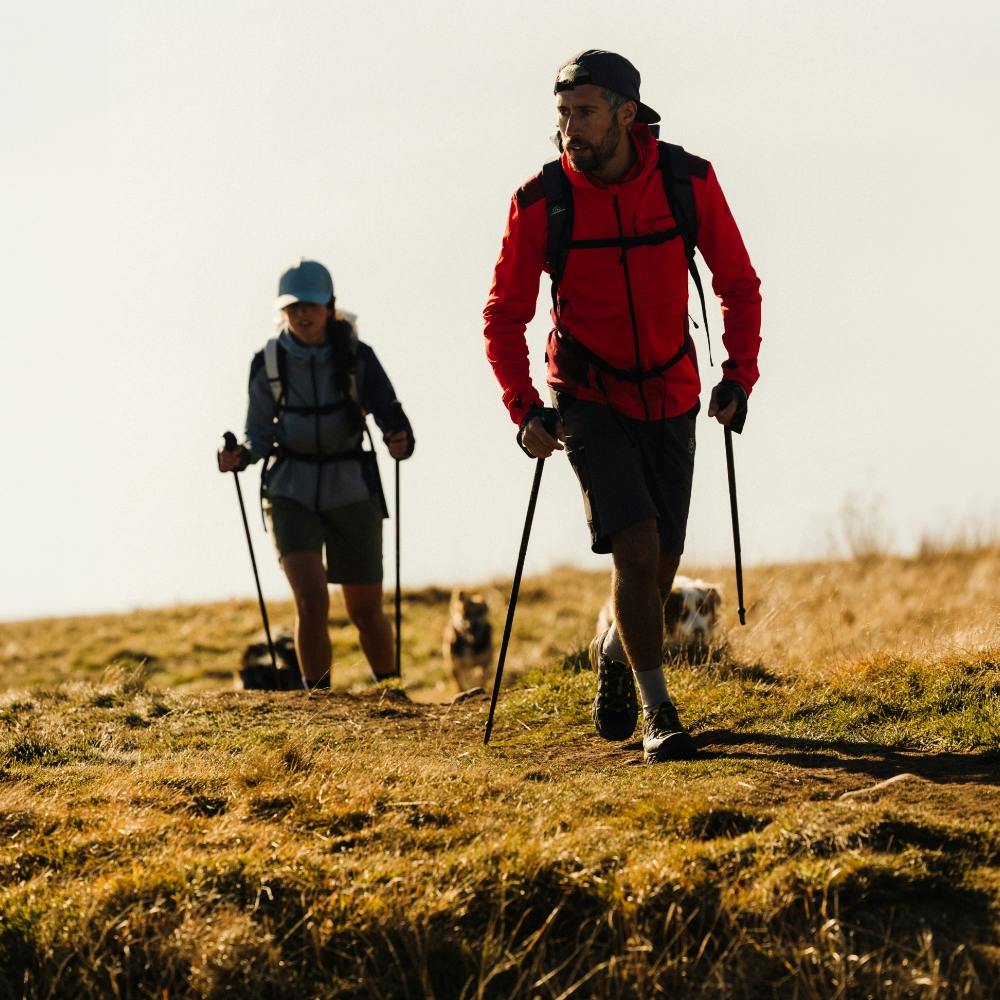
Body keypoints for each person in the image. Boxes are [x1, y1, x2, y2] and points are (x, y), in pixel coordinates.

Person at [483, 50, 761, 762]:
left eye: (584, 112)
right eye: (562, 114)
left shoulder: (685, 180)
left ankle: (613, 646)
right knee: (635, 548)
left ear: (626, 114)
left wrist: (738, 375)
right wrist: (523, 409)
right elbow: (503, 314)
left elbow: (738, 283)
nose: (569, 128)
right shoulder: (543, 201)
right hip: (588, 394)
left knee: (660, 563)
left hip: (673, 391)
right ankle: (658, 710)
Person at [219, 259, 414, 689]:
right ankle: (319, 704)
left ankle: (391, 693)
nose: (302, 314)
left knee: (365, 609)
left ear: (330, 306)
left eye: (310, 305)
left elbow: (390, 413)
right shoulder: (267, 362)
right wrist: (240, 455)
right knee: (311, 600)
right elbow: (257, 433)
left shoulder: (358, 357)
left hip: (351, 488)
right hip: (289, 491)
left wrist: (399, 437)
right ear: (282, 312)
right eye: (293, 307)